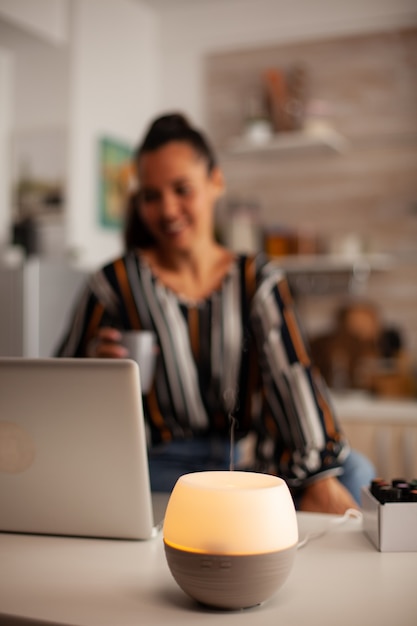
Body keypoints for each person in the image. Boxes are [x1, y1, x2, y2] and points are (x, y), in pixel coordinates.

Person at [55, 112, 374, 513]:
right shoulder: (113, 284)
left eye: (181, 189)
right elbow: (58, 393)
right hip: (159, 466)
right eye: (151, 196)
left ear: (216, 182)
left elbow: (292, 376)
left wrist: (320, 478)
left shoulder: (258, 279)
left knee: (355, 472)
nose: (168, 209)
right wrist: (92, 372)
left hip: (249, 463)